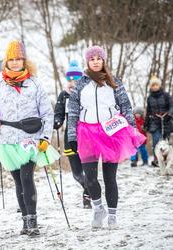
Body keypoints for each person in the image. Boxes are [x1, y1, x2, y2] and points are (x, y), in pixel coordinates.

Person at [0, 40, 57, 236]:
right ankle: (24, 221)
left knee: (26, 177)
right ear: (6, 62)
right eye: (11, 59)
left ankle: (32, 221)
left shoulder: (35, 84)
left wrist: (46, 137)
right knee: (18, 182)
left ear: (25, 61)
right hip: (7, 142)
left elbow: (48, 114)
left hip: (30, 139)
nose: (15, 63)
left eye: (18, 59)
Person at [67, 45, 145, 229]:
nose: (95, 61)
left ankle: (112, 215)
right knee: (90, 178)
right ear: (88, 61)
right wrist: (72, 134)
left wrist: (132, 130)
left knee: (110, 178)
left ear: (103, 61)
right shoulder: (80, 84)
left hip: (111, 132)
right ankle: (97, 208)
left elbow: (125, 107)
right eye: (92, 58)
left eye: (98, 58)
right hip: (87, 133)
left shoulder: (114, 82)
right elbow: (72, 111)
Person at [54, 60, 91, 208]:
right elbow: (59, 114)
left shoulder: (87, 93)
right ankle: (90, 188)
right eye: (69, 79)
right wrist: (56, 122)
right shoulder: (63, 96)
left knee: (89, 171)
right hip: (70, 139)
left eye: (76, 79)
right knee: (77, 174)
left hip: (87, 138)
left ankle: (88, 196)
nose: (72, 82)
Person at [144, 75, 173, 167]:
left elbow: (172, 106)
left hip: (166, 121)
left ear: (159, 85)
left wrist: (169, 114)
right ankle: (157, 160)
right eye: (153, 85)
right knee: (156, 141)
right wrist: (146, 123)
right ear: (151, 87)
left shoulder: (166, 95)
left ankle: (167, 159)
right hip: (154, 122)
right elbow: (148, 111)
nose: (154, 87)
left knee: (165, 142)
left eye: (156, 85)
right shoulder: (149, 98)